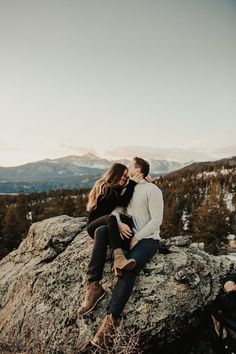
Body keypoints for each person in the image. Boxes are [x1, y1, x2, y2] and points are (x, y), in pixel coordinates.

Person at [77, 157, 164, 349]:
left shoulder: (153, 189)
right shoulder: (128, 189)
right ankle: (93, 285)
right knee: (100, 231)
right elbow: (114, 209)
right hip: (128, 232)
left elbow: (157, 220)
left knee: (129, 267)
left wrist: (137, 237)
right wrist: (117, 222)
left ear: (139, 170)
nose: (126, 170)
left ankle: (109, 324)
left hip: (148, 239)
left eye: (130, 166)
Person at [86, 162, 144, 277]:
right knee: (112, 218)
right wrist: (119, 224)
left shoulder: (113, 188)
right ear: (115, 174)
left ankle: (119, 263)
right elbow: (122, 201)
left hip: (105, 228)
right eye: (123, 175)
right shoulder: (106, 189)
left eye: (127, 177)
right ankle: (119, 257)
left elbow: (122, 198)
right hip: (94, 225)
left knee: (124, 219)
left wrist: (142, 182)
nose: (125, 179)